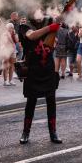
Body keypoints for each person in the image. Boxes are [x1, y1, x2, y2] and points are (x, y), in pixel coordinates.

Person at [18, 15, 62, 144]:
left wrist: (59, 20)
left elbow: (55, 41)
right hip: (33, 69)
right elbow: (32, 36)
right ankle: (25, 132)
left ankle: (53, 132)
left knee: (51, 101)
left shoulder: (48, 22)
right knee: (31, 102)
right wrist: (50, 27)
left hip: (48, 68)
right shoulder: (24, 26)